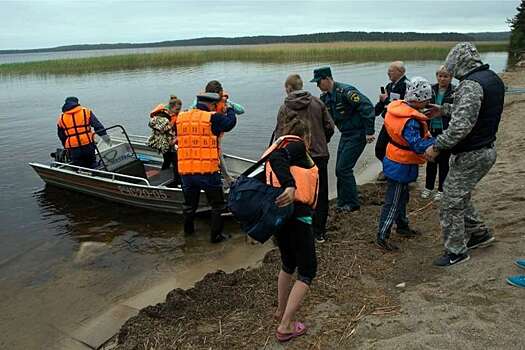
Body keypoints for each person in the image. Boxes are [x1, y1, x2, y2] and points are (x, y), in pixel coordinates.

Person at [425, 42, 504, 267]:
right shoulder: (492, 78)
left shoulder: (471, 85)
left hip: (473, 153)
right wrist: (444, 109)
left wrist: (437, 146)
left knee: (450, 200)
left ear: (458, 64)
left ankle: (456, 251)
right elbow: (476, 110)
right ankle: (479, 234)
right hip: (486, 149)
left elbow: (461, 126)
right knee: (460, 194)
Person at [261, 116, 318, 342]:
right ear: (306, 135)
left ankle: (280, 311)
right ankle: (285, 326)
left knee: (288, 264)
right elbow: (277, 158)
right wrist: (290, 185)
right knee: (307, 271)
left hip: (280, 218)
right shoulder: (295, 146)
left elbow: (274, 158)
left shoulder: (279, 143)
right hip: (298, 218)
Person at [376, 77, 435, 251]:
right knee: (393, 200)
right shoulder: (411, 121)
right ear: (418, 99)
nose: (428, 102)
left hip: (395, 157)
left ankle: (402, 226)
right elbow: (416, 145)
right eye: (426, 99)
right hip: (401, 162)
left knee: (402, 196)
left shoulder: (397, 108)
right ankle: (382, 236)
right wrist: (438, 141)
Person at [275, 74, 335, 243]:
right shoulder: (318, 102)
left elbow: (280, 136)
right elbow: (330, 127)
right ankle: (319, 232)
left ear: (288, 88)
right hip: (320, 154)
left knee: (298, 193)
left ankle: (300, 230)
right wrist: (322, 140)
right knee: (321, 193)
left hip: (296, 158)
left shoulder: (285, 108)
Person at [311, 67, 375, 212]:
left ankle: (352, 203)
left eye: (319, 82)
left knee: (344, 169)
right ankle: (341, 202)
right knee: (339, 170)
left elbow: (367, 107)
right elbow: (327, 121)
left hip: (358, 134)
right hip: (346, 134)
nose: (318, 86)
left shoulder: (346, 92)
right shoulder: (325, 97)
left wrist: (369, 131)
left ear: (327, 79)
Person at [176, 92, 236, 243]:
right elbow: (230, 123)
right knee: (217, 205)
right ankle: (216, 236)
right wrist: (230, 109)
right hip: (207, 171)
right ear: (212, 105)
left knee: (189, 206)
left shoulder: (181, 117)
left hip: (186, 171)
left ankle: (188, 234)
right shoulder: (213, 117)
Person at [195, 80, 245, 187]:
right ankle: (226, 178)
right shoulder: (199, 103)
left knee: (216, 154)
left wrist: (228, 104)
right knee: (215, 155)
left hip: (215, 133)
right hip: (205, 133)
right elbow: (230, 123)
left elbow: (241, 110)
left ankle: (225, 177)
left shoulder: (223, 102)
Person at [421, 66, 455, 200]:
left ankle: (441, 189)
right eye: (440, 76)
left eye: (445, 76)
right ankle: (428, 188)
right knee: (431, 159)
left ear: (451, 77)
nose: (442, 78)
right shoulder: (431, 89)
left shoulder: (455, 91)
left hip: (446, 131)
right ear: (436, 76)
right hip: (431, 130)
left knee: (444, 162)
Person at [374, 61, 409, 180]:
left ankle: (392, 172)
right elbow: (381, 104)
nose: (388, 73)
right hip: (388, 121)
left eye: (391, 71)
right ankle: (387, 169)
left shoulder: (407, 85)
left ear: (400, 72)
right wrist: (369, 115)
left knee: (397, 150)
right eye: (388, 71)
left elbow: (404, 107)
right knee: (380, 149)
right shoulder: (389, 86)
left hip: (400, 124)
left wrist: (386, 100)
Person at [57, 96, 110, 168]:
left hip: (73, 147)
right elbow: (98, 126)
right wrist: (106, 139)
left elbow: (61, 135)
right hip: (87, 144)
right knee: (92, 164)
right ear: (77, 103)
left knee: (79, 167)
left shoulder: (61, 118)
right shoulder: (86, 112)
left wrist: (65, 146)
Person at [148, 95, 182, 186]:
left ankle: (164, 177)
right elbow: (166, 131)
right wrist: (174, 140)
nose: (179, 111)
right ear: (171, 108)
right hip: (168, 143)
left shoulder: (170, 116)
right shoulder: (164, 118)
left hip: (169, 143)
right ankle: (177, 181)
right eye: (177, 109)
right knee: (175, 161)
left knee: (167, 160)